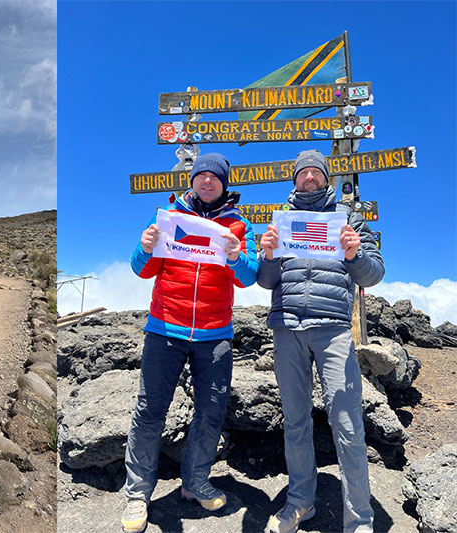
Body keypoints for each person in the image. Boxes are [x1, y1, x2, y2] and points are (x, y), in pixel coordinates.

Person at [121, 153, 259, 533]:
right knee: (150, 411)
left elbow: (249, 277)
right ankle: (138, 494)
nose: (208, 181)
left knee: (211, 413)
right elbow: (140, 269)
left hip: (215, 335)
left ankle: (195, 482)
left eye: (215, 177)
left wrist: (236, 257)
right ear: (193, 179)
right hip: (165, 329)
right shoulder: (168, 217)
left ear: (224, 184)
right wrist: (145, 246)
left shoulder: (238, 225)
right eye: (202, 176)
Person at [258, 149, 384, 533]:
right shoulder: (281, 221)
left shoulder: (349, 219)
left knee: (347, 423)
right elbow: (265, 280)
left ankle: (359, 519)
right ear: (295, 179)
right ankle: (301, 502)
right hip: (286, 327)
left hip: (332, 329)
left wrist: (354, 255)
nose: (309, 177)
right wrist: (268, 255)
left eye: (316, 171)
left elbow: (374, 274)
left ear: (327, 178)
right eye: (303, 172)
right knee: (295, 422)